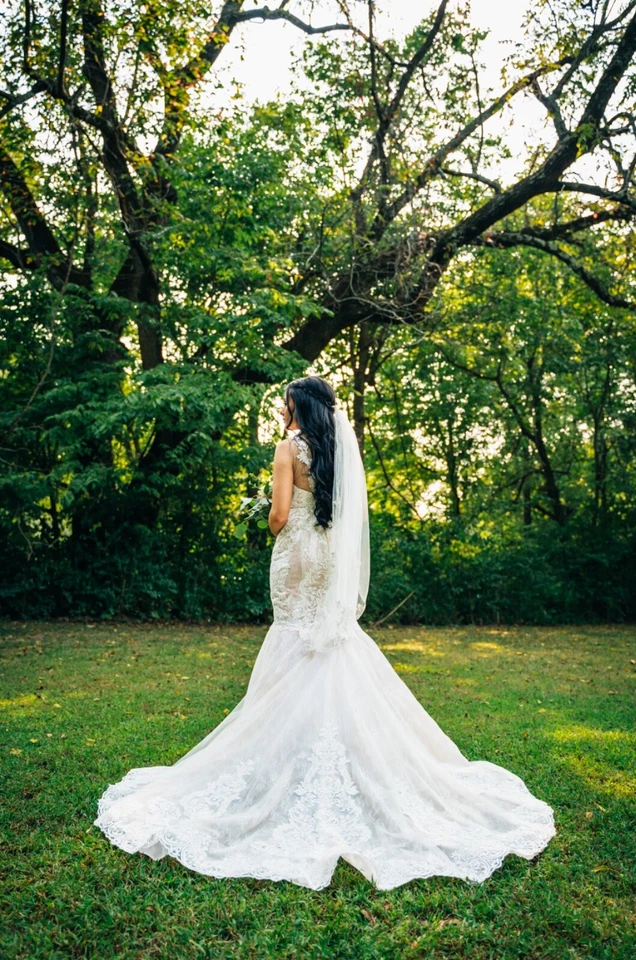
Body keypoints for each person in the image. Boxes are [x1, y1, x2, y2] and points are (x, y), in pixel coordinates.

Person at [94, 375, 556, 890]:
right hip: (328, 557)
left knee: (292, 635)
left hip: (296, 555)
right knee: (328, 642)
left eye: (285, 401)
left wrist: (266, 518)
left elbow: (279, 514)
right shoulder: (337, 445)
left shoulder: (287, 448)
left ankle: (282, 757)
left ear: (297, 404)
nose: (282, 408)